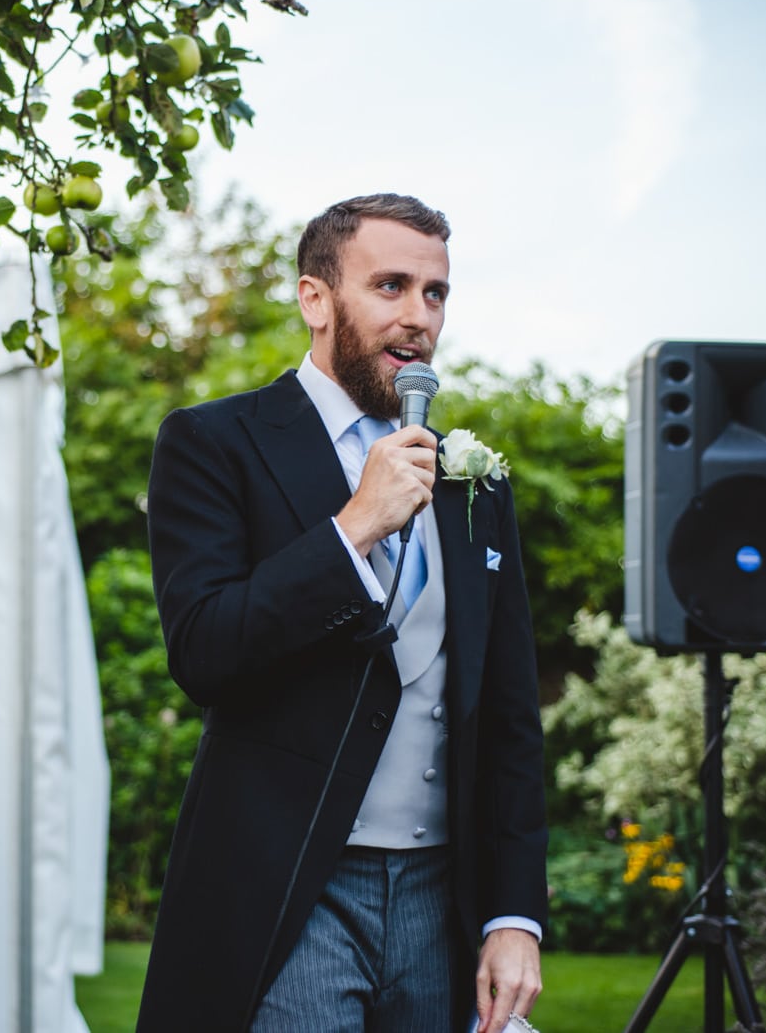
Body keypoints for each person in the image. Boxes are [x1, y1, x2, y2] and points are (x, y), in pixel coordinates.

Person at [135, 193, 548, 1033]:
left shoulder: (474, 481)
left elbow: (508, 716)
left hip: (443, 898)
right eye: (390, 285)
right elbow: (204, 649)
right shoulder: (216, 443)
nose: (418, 317)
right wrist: (353, 528)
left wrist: (513, 915)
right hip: (294, 889)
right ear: (315, 299)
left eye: (434, 293)